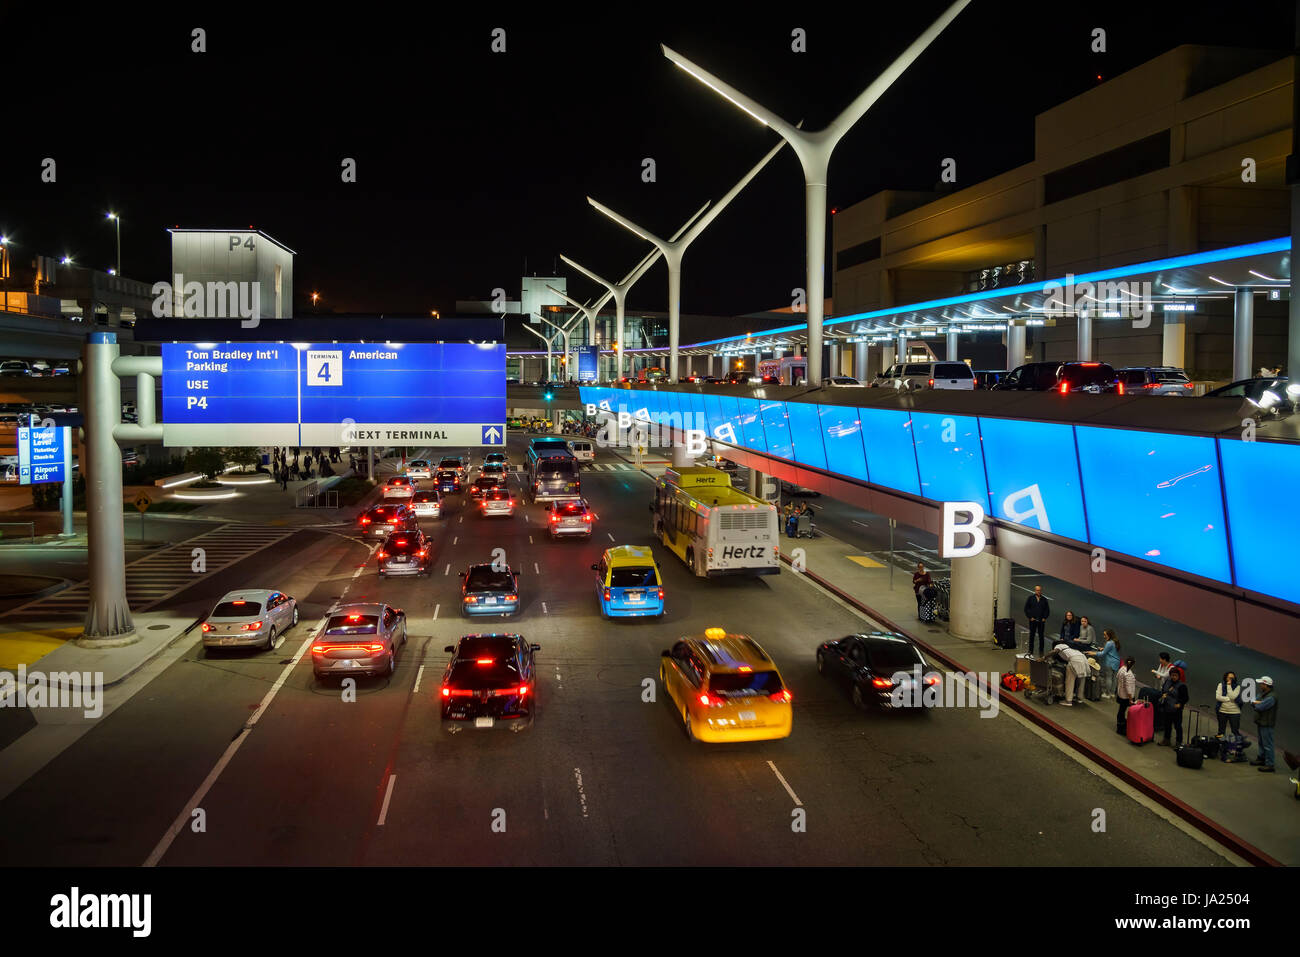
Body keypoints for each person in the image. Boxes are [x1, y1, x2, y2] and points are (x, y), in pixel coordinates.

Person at [1158, 666, 1189, 748]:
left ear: (1178, 676)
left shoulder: (1182, 686)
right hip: (1167, 707)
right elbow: (1163, 690)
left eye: (1175, 675)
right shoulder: (1167, 682)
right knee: (1167, 724)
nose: (1173, 677)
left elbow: (1185, 698)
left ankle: (1179, 742)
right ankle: (1166, 740)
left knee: (1177, 726)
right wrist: (1163, 695)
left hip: (1176, 710)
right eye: (1172, 675)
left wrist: (1180, 704)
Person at [1250, 676, 1277, 772]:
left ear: (1266, 685)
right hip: (1262, 722)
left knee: (1267, 744)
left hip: (1267, 724)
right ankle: (1262, 759)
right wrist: (1257, 702)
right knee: (1261, 742)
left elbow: (1259, 707)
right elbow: (1253, 701)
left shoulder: (1271, 697)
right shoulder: (1263, 694)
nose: (1260, 685)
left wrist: (1256, 703)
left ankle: (1270, 765)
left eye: (1262, 683)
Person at [1092, 629, 1120, 698]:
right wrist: (1103, 649)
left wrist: (1094, 653)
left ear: (1109, 635)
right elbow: (1111, 650)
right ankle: (1112, 693)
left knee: (1108, 677)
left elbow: (1103, 654)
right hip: (1117, 661)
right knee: (1114, 678)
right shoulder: (1115, 642)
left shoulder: (1109, 643)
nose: (1104, 636)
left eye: (1105, 635)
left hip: (1110, 662)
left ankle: (1107, 694)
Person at [1024, 585, 1050, 657]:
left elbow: (1047, 610)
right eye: (1037, 590)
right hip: (1033, 621)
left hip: (1041, 621)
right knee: (1032, 636)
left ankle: (1041, 650)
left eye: (1040, 590)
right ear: (1035, 591)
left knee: (1041, 636)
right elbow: (1026, 609)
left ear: (1041, 591)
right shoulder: (1030, 598)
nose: (1039, 591)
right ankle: (1030, 650)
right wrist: (1030, 617)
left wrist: (1045, 618)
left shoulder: (1044, 599)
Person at [1214, 672, 1242, 737]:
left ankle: (1236, 745)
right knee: (1221, 731)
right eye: (1229, 678)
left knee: (1235, 731)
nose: (1230, 679)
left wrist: (1229, 686)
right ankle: (1221, 745)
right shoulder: (1221, 685)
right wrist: (1228, 699)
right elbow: (1218, 697)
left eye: (1232, 678)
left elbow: (1233, 696)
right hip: (1222, 711)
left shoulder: (1237, 686)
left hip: (1235, 712)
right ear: (1226, 678)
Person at [1115, 656, 1137, 734]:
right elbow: (1128, 688)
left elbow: (1117, 677)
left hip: (1120, 693)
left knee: (1121, 710)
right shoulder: (1129, 674)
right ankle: (1122, 728)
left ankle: (1119, 725)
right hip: (1126, 696)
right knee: (1125, 711)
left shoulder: (1121, 669)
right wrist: (1131, 699)